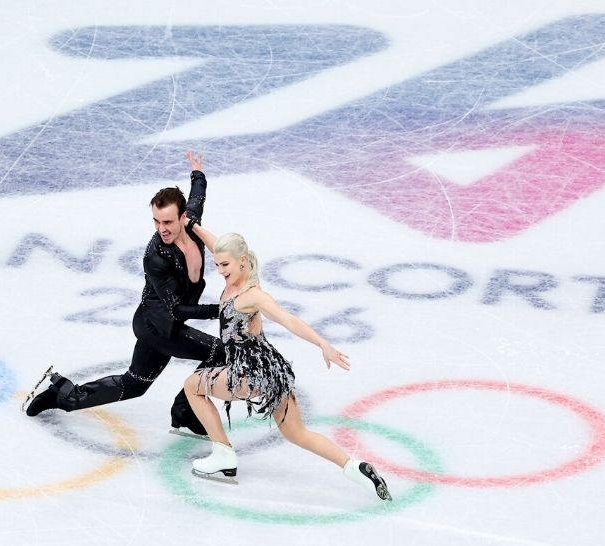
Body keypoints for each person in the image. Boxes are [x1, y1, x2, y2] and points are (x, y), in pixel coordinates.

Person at [180, 228, 392, 501]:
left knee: (192, 385)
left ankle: (223, 455)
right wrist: (192, 225)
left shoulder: (252, 295)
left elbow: (288, 319)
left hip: (249, 372)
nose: (220, 271)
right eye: (218, 265)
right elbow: (217, 246)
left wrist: (322, 344)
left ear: (242, 261)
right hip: (272, 370)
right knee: (297, 433)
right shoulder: (238, 273)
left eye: (225, 265)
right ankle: (356, 468)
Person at [24, 151, 220, 435]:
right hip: (158, 327)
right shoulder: (156, 256)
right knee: (221, 353)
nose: (161, 229)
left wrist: (197, 172)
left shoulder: (192, 224)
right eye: (156, 221)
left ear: (183, 217)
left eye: (167, 222)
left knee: (135, 384)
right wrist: (221, 310)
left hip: (163, 324)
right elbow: (175, 309)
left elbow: (198, 195)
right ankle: (185, 410)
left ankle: (63, 395)